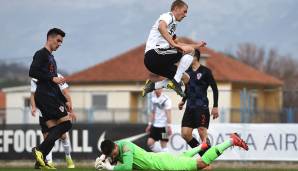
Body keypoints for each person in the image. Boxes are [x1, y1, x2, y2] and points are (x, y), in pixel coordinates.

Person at [29, 28, 76, 169]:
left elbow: (54, 83)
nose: (60, 44)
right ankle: (40, 151)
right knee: (66, 124)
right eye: (58, 40)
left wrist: (64, 99)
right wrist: (52, 77)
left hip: (50, 97)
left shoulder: (51, 58)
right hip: (46, 97)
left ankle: (40, 162)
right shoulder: (41, 54)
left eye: (61, 41)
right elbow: (32, 71)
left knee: (53, 132)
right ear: (50, 38)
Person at [142, 0, 207, 98]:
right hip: (154, 54)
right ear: (176, 9)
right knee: (190, 51)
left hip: (156, 63)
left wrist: (197, 45)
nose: (186, 15)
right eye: (184, 11)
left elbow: (178, 44)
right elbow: (161, 27)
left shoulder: (173, 26)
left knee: (185, 78)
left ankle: (152, 85)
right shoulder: (168, 16)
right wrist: (173, 44)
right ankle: (175, 82)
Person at [95, 133, 248, 170]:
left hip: (163, 165)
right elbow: (112, 152)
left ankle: (231, 141)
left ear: (116, 147)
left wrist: (110, 167)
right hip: (161, 160)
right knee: (182, 158)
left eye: (113, 154)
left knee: (201, 163)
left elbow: (127, 167)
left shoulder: (126, 148)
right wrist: (102, 158)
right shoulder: (118, 145)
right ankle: (201, 147)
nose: (114, 157)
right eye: (111, 156)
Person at [178, 49, 219, 157]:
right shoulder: (187, 73)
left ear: (195, 57)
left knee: (201, 132)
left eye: (188, 57)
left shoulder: (206, 71)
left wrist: (215, 106)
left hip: (201, 106)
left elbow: (215, 88)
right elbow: (187, 89)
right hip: (190, 107)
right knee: (185, 133)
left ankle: (207, 158)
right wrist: (183, 100)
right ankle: (204, 153)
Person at [30, 74, 75, 169]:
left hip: (58, 108)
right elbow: (33, 94)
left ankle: (68, 157)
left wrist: (71, 109)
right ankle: (49, 162)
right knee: (49, 137)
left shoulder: (58, 76)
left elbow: (66, 93)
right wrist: (33, 107)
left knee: (62, 135)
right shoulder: (35, 79)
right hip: (44, 112)